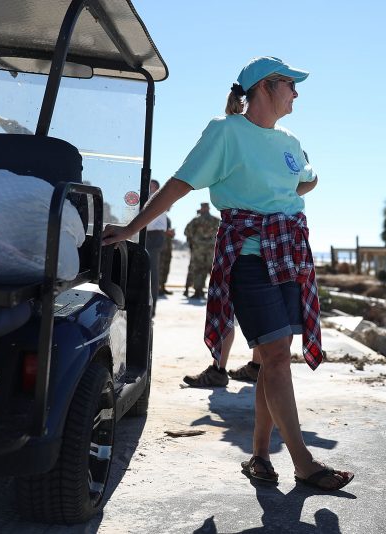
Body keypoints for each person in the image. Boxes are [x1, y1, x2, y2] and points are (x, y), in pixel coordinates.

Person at [101, 56, 353, 491]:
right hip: (250, 258)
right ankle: (304, 463)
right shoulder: (225, 132)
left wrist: (284, 195)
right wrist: (131, 228)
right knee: (275, 356)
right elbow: (180, 184)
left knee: (274, 359)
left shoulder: (290, 140)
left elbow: (308, 179)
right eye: (291, 85)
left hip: (290, 254)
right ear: (265, 88)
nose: (297, 93)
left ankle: (259, 457)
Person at [183, 202, 220, 299]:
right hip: (211, 249)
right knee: (211, 270)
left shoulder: (196, 220)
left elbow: (187, 231)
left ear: (202, 208)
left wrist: (194, 240)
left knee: (198, 269)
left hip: (198, 249)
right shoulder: (216, 220)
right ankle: (215, 292)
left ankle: (198, 291)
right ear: (208, 208)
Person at [145, 179, 168, 316]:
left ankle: (151, 308)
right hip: (148, 236)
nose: (148, 188)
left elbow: (150, 221)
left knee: (152, 273)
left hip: (153, 237)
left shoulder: (156, 199)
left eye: (151, 186)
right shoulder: (151, 199)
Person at [159, 217, 175, 295]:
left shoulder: (168, 219)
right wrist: (166, 232)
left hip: (167, 248)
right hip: (160, 248)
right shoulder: (158, 216)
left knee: (166, 268)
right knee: (159, 268)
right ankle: (157, 287)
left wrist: (172, 234)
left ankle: (162, 287)